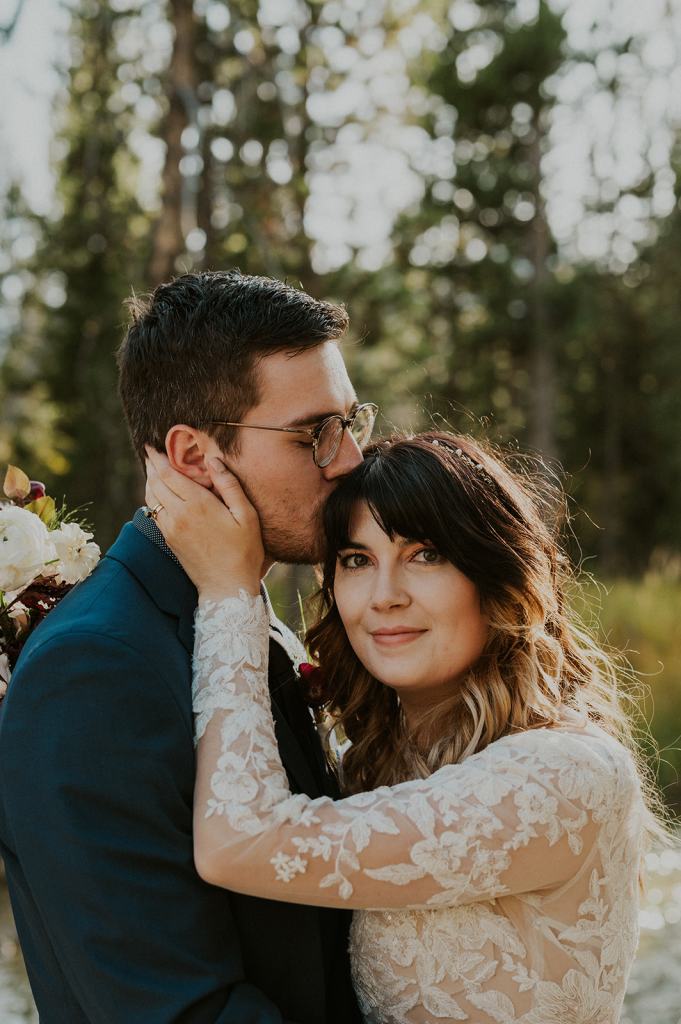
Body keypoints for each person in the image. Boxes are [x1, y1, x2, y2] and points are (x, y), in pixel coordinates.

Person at [144, 430, 663, 1024]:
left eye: (425, 555)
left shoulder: (564, 777)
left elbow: (240, 842)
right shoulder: (375, 763)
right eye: (357, 560)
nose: (385, 596)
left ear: (495, 576)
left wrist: (229, 592)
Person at [0, 270, 370, 1023]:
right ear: (197, 457)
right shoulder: (93, 670)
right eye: (314, 434)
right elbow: (179, 1010)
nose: (350, 459)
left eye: (351, 421)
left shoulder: (244, 617)